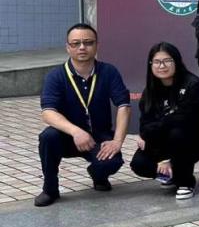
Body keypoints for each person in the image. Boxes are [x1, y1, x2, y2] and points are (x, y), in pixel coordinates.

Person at [36, 24, 130, 207]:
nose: (82, 47)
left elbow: (124, 106)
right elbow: (48, 113)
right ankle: (50, 189)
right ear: (68, 47)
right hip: (67, 136)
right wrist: (76, 132)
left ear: (96, 45)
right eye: (76, 43)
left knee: (112, 161)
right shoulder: (55, 75)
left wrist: (117, 141)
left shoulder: (109, 72)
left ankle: (98, 175)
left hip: (98, 136)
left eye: (88, 42)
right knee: (47, 137)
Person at [129, 42, 199, 200]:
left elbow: (185, 120)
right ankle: (172, 175)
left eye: (167, 61)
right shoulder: (150, 91)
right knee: (139, 163)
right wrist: (161, 156)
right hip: (163, 141)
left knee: (177, 133)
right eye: (157, 62)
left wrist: (163, 154)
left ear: (177, 61)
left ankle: (185, 183)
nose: (162, 66)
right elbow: (145, 125)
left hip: (193, 140)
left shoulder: (193, 85)